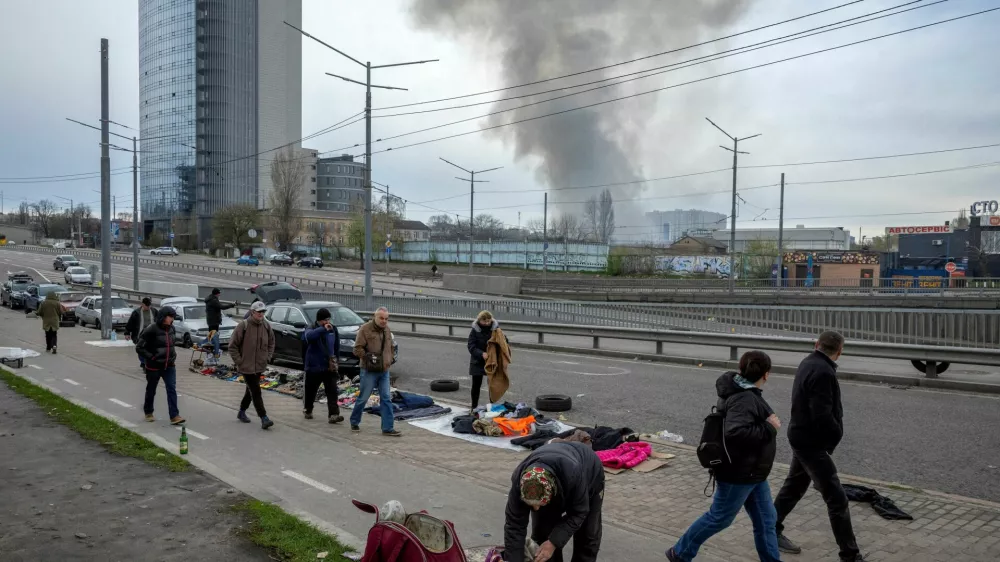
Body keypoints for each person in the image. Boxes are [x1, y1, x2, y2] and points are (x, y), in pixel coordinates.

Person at [667, 351, 782, 562]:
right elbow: (735, 432)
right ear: (766, 374)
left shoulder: (744, 392)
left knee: (766, 520)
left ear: (741, 369)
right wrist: (769, 428)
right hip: (739, 473)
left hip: (754, 472)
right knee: (719, 518)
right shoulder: (744, 398)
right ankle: (680, 553)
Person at [773, 331, 863, 562]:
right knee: (837, 499)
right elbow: (821, 414)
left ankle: (770, 529)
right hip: (810, 442)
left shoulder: (808, 362)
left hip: (801, 435)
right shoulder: (823, 371)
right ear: (839, 351)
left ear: (817, 345)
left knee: (794, 486)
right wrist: (835, 435)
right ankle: (850, 555)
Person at [504, 441, 604, 562]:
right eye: (531, 504)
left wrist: (553, 542)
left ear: (550, 493)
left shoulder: (573, 474)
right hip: (555, 472)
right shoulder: (519, 481)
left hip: (589, 472)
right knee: (542, 534)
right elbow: (514, 526)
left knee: (587, 534)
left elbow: (579, 512)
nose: (535, 509)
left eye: (539, 504)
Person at [350, 306, 399, 437]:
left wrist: (390, 359)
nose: (384, 321)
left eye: (386, 319)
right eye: (381, 318)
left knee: (386, 398)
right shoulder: (365, 329)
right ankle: (354, 421)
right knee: (363, 397)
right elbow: (357, 349)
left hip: (384, 370)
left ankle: (388, 428)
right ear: (375, 317)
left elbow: (391, 346)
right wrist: (368, 357)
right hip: (369, 370)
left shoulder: (387, 330)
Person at [135, 306, 185, 425]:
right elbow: (139, 347)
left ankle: (174, 416)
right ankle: (148, 412)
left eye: (173, 317)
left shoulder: (172, 329)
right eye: (170, 316)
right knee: (151, 389)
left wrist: (173, 356)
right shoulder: (151, 329)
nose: (172, 319)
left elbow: (171, 345)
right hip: (154, 366)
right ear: (163, 317)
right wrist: (152, 357)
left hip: (169, 365)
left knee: (171, 389)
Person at [230, 301, 275, 430]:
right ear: (252, 312)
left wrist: (267, 357)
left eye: (263, 312)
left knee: (250, 390)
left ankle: (241, 412)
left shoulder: (266, 326)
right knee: (256, 391)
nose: (261, 314)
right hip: (246, 366)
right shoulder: (243, 326)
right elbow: (232, 346)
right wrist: (240, 361)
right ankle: (264, 418)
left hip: (260, 365)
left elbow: (272, 342)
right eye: (259, 312)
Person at [302, 308, 344, 424]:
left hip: (329, 366)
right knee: (311, 391)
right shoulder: (311, 328)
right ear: (319, 320)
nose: (327, 322)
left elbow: (336, 346)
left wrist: (336, 361)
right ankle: (308, 409)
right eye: (325, 320)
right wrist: (322, 329)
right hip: (314, 366)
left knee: (332, 390)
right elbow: (309, 337)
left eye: (328, 319)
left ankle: (334, 414)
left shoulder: (333, 329)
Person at [467, 310, 511, 411]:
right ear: (479, 320)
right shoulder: (475, 330)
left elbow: (504, 341)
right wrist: (481, 354)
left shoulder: (496, 329)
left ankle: (492, 406)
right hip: (477, 361)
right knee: (476, 385)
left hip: (492, 360)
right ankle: (474, 406)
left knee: (493, 384)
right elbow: (471, 346)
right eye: (484, 321)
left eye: (488, 320)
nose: (487, 323)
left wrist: (503, 341)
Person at [125, 297, 158, 368]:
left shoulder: (154, 311)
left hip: (152, 335)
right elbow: (130, 323)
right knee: (141, 349)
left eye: (149, 306)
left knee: (150, 349)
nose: (148, 307)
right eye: (147, 306)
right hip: (140, 335)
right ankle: (143, 362)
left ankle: (146, 363)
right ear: (142, 304)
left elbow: (158, 321)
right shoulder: (136, 312)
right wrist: (127, 333)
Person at [204, 288, 233, 365]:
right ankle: (214, 351)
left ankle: (211, 348)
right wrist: (231, 305)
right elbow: (221, 307)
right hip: (214, 321)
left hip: (211, 321)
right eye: (219, 293)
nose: (219, 294)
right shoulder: (213, 300)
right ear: (216, 293)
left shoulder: (210, 299)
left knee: (212, 336)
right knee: (214, 336)